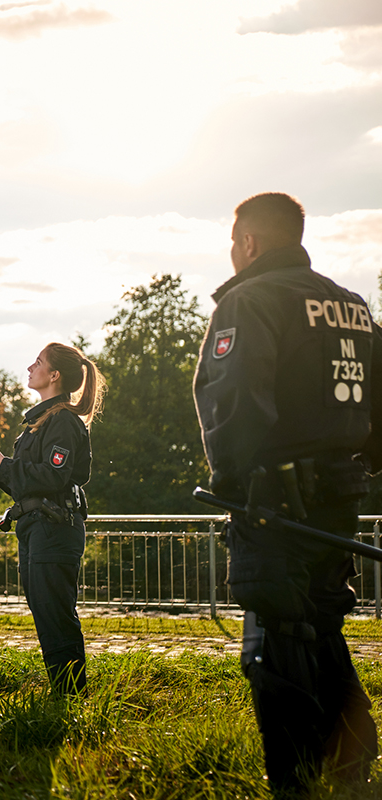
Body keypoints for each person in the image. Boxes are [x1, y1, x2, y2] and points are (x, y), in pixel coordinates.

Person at [193, 192, 381, 796]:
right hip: (341, 498)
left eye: (233, 243)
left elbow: (237, 403)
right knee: (321, 624)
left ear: (248, 242)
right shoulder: (351, 307)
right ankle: (352, 767)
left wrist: (232, 484)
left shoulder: (251, 300)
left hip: (271, 500)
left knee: (276, 635)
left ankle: (295, 783)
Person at [0, 343, 104, 695]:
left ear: (54, 375)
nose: (31, 367)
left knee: (55, 614)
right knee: (46, 613)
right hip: (36, 526)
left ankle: (71, 696)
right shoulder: (40, 421)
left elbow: (54, 477)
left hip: (55, 527)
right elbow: (29, 485)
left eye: (38, 363)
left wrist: (7, 466)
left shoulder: (62, 421)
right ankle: (64, 694)